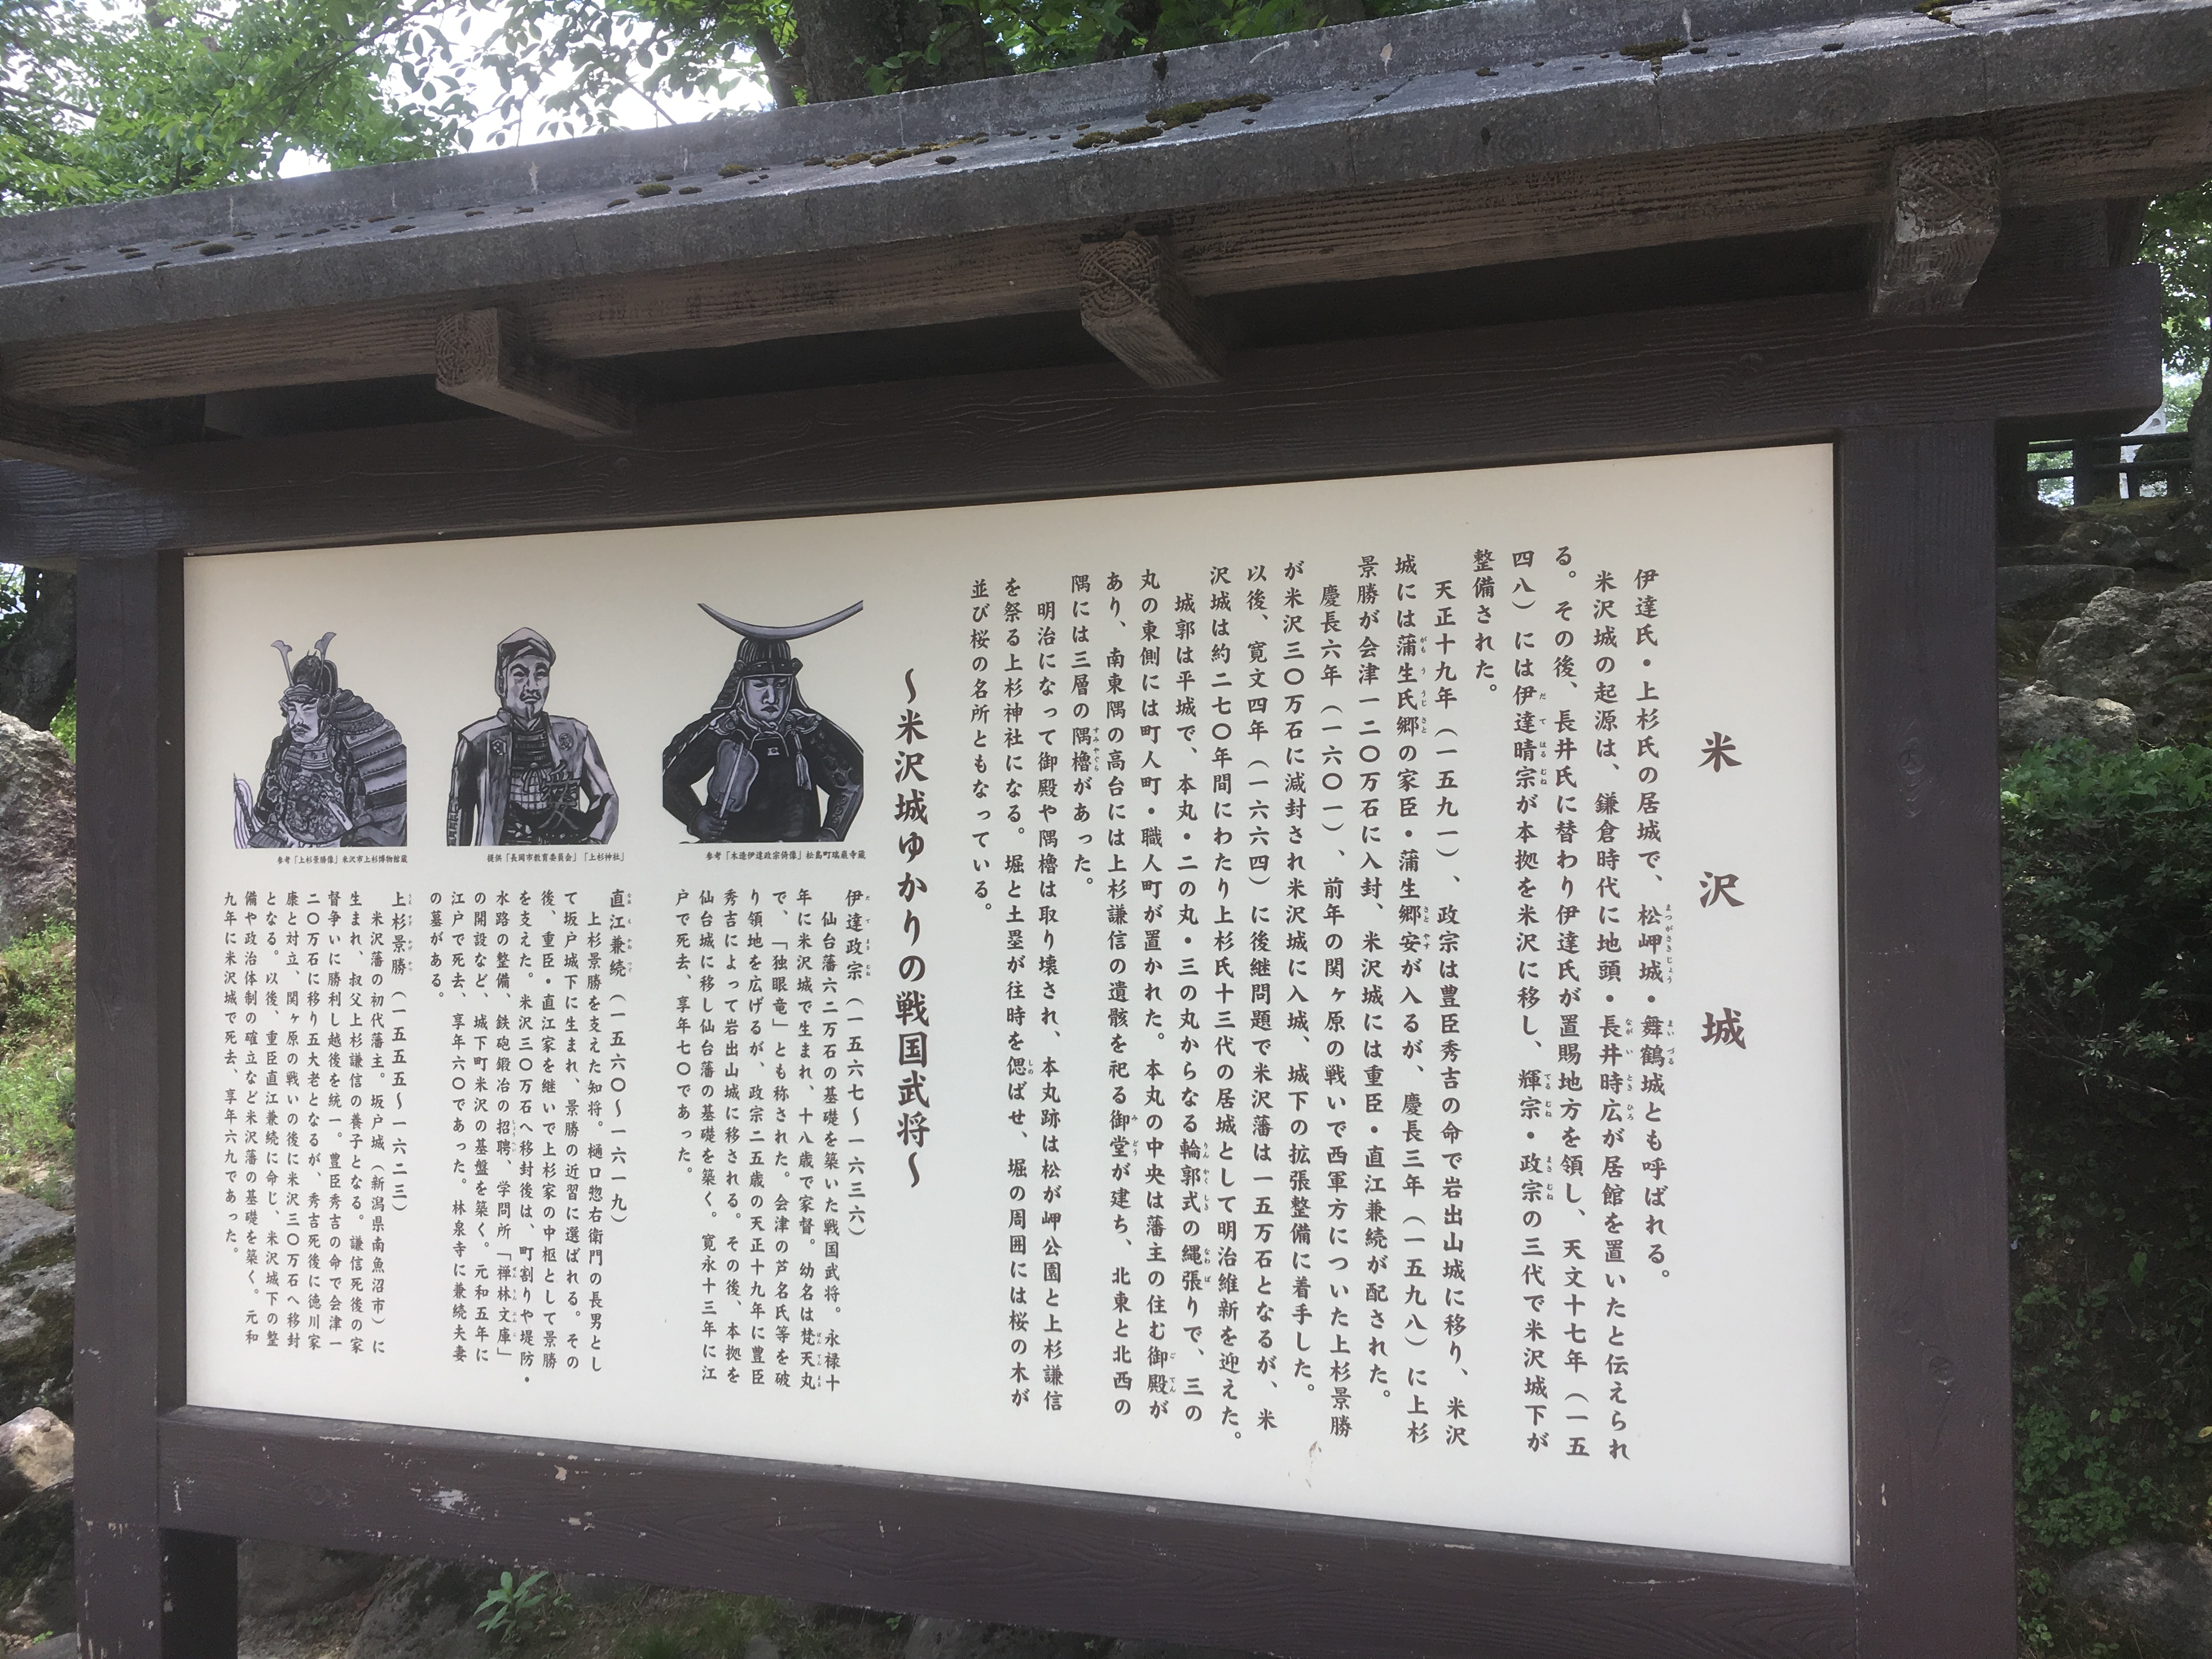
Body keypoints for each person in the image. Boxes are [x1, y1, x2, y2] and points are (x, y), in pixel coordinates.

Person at [663, 602, 864, 842]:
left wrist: (831, 832)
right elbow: (670, 780)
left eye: (780, 684)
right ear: (741, 685)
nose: (772, 697)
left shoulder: (806, 731)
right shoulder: (723, 730)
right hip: (730, 853)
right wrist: (696, 818)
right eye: (759, 685)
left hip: (797, 855)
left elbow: (851, 785)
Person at [447, 628, 619, 845]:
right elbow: (459, 812)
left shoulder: (576, 734)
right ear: (501, 683)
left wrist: (594, 842)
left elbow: (607, 797)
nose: (532, 686)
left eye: (541, 674)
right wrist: (457, 861)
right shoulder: (477, 740)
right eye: (520, 674)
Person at [233, 633, 405, 848]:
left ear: (325, 707)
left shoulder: (355, 747)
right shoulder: (285, 748)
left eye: (307, 708)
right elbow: (267, 811)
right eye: (292, 709)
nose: (297, 720)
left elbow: (383, 827)